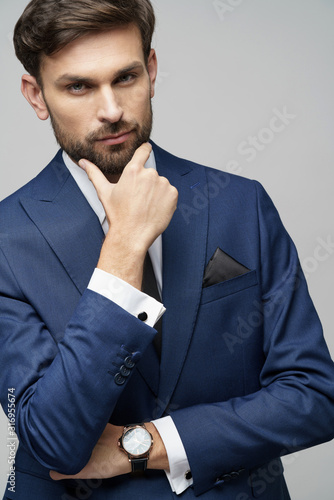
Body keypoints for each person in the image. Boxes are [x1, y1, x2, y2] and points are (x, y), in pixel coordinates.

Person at [0, 0, 334, 499]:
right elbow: (54, 442)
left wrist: (147, 444)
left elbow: (314, 396)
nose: (111, 110)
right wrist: (124, 251)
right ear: (36, 95)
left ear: (151, 70)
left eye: (126, 78)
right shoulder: (6, 239)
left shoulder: (242, 203)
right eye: (78, 86)